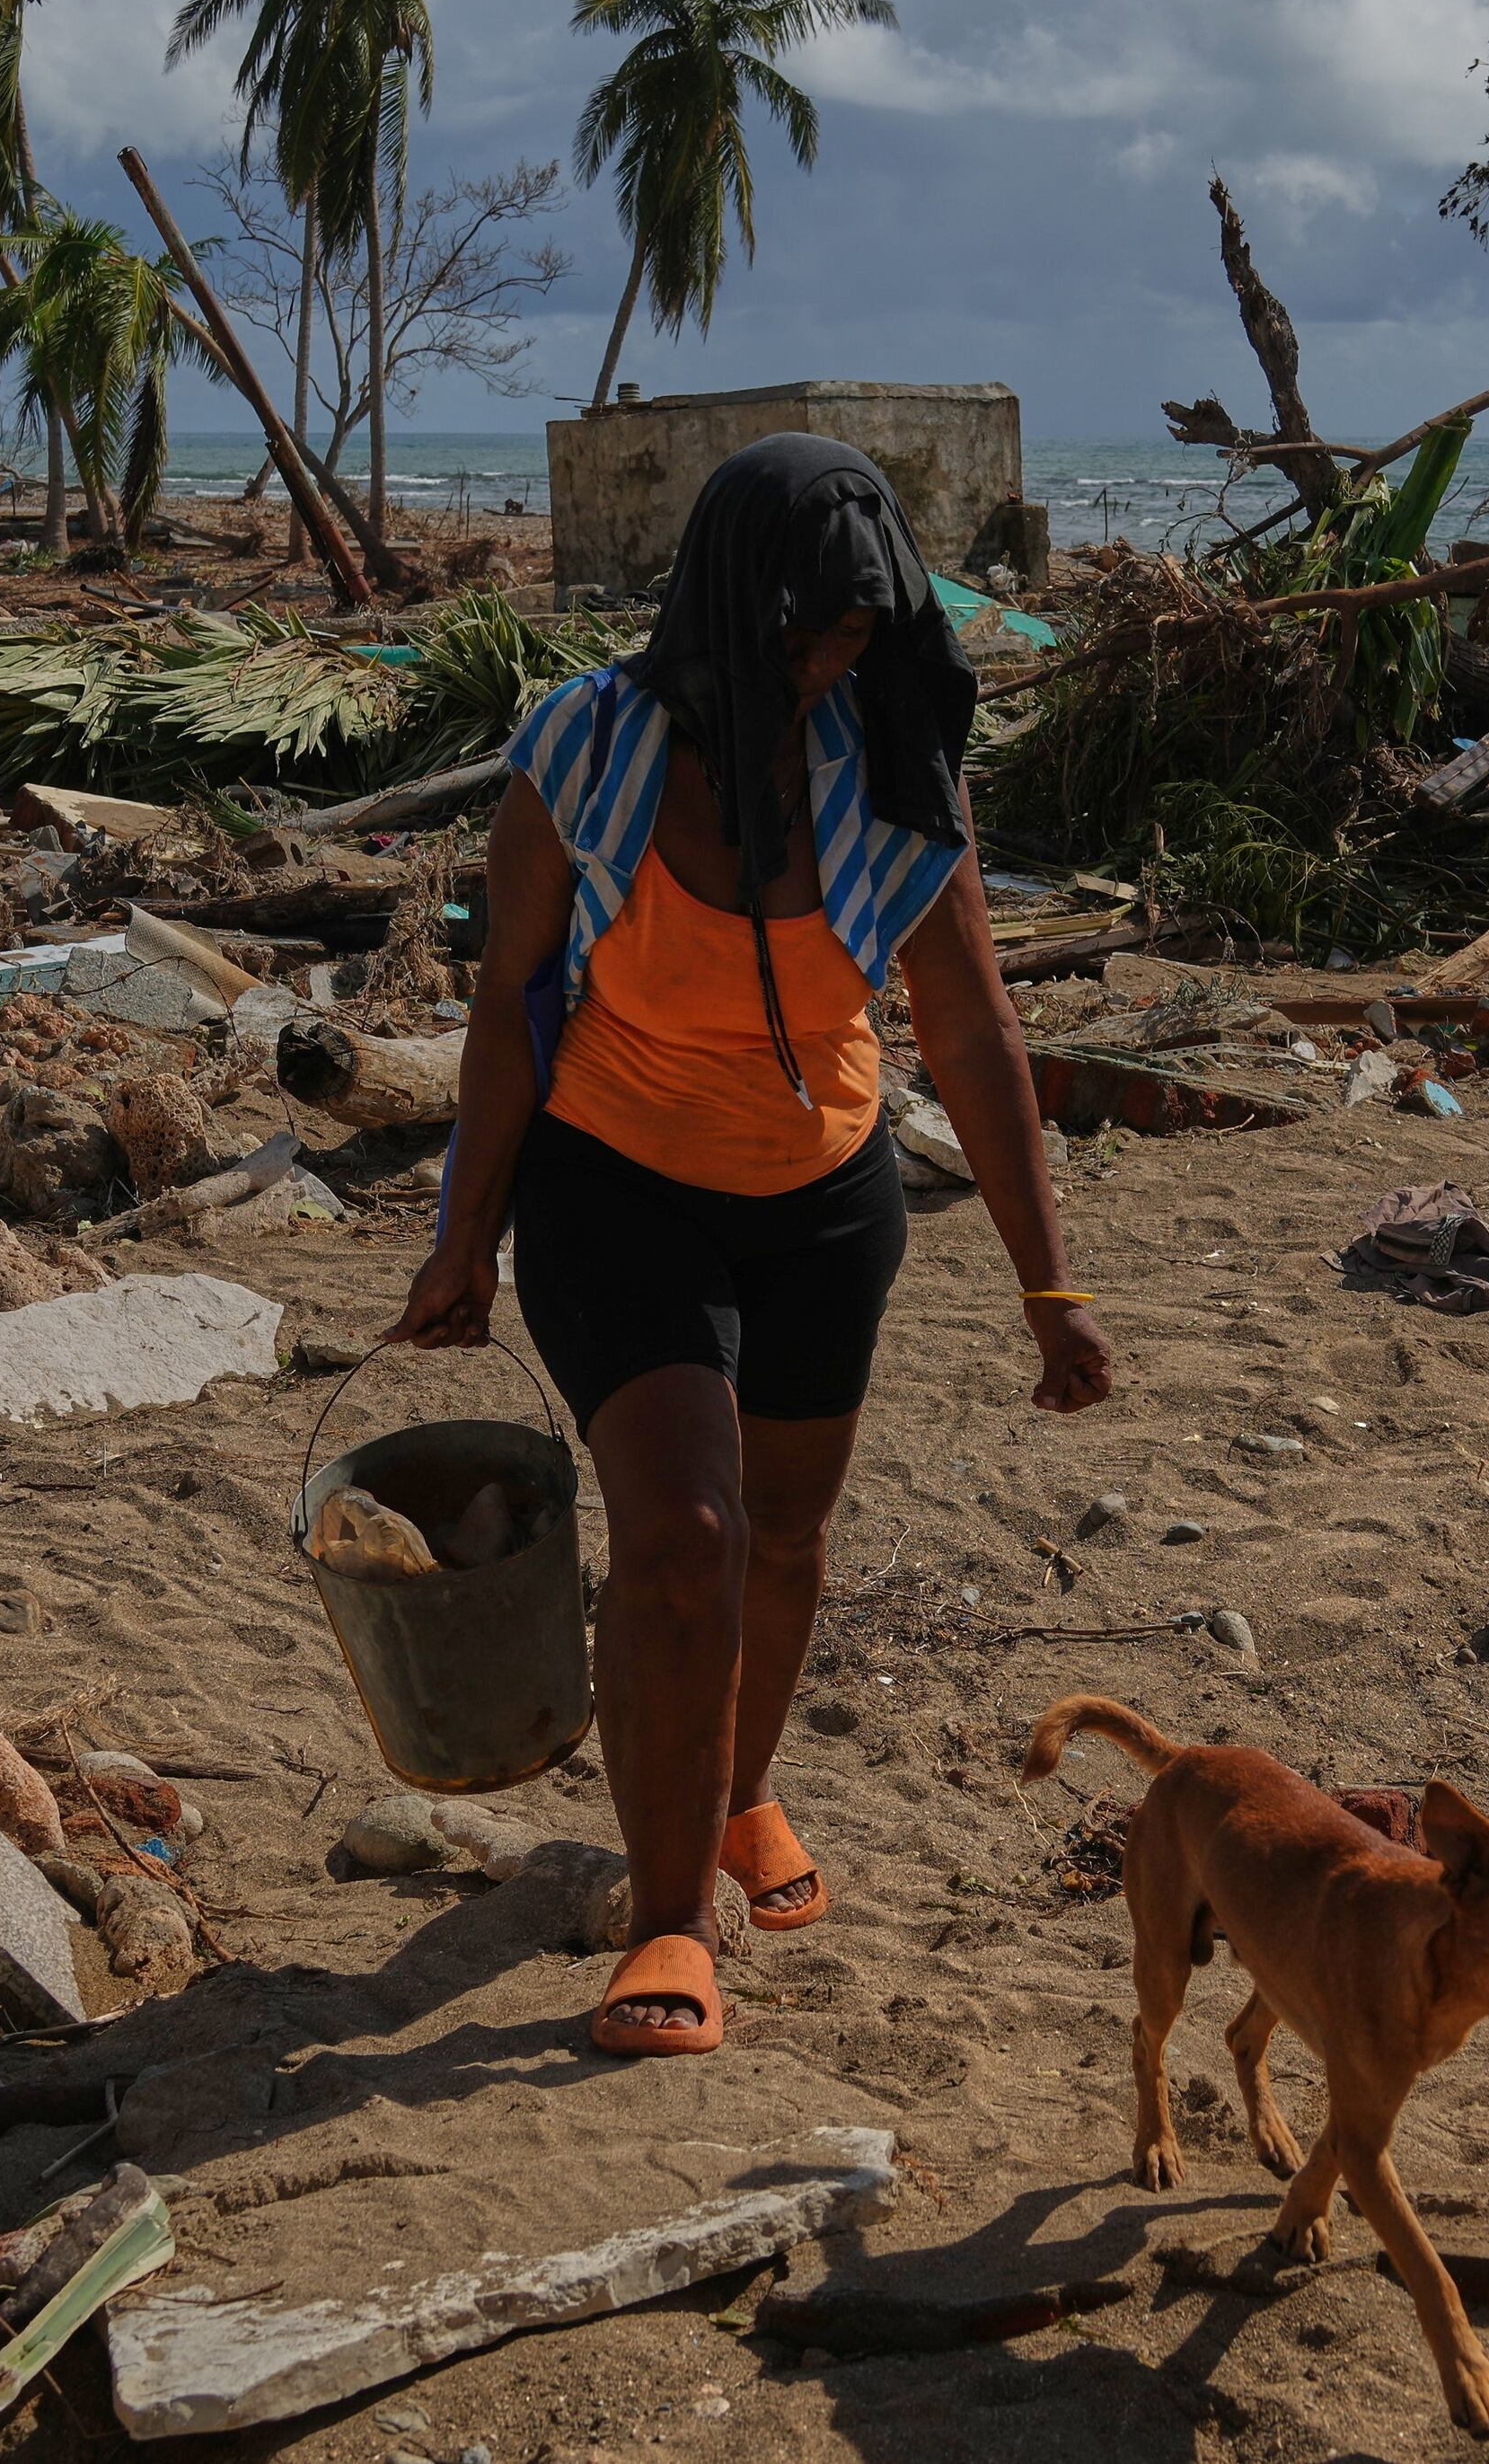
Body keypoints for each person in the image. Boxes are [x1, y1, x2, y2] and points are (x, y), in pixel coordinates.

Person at [386, 435, 1110, 2055]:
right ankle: (665, 1920)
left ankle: (740, 1791)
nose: (831, 661)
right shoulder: (588, 751)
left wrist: (1046, 1284)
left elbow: (972, 1031)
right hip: (613, 1179)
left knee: (781, 1536)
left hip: (822, 1198)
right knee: (680, 1538)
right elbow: (510, 1003)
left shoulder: (894, 769)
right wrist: (464, 1233)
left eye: (857, 631)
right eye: (804, 633)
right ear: (724, 608)